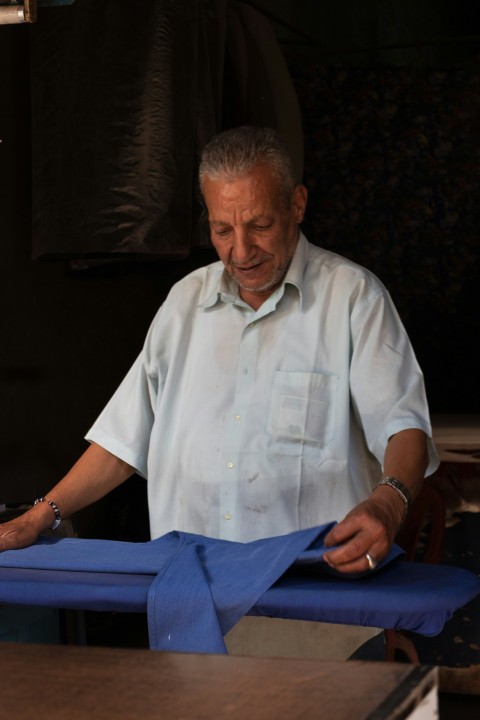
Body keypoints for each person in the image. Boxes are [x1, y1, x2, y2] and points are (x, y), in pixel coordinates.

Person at [0, 125, 438, 577]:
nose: (241, 250)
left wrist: (389, 501)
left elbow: (404, 429)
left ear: (297, 205)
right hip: (188, 592)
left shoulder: (353, 299)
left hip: (314, 595)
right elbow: (123, 442)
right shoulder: (184, 304)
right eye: (222, 229)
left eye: (260, 225)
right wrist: (41, 515)